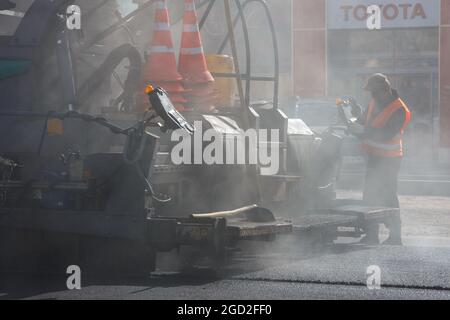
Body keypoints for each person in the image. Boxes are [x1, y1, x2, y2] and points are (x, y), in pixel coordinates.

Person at [348, 73, 411, 245]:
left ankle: (395, 236)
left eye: (374, 92)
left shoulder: (399, 109)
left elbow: (386, 134)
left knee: (388, 196)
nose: (372, 96)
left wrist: (363, 132)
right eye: (371, 93)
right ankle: (371, 235)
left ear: (386, 90)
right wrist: (354, 117)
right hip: (375, 158)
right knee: (370, 195)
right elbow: (365, 120)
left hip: (390, 160)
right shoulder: (375, 101)